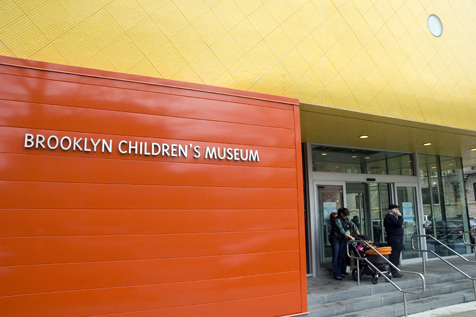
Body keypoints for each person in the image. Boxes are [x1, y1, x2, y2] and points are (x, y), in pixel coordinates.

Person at [329, 207, 360, 280]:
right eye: (345, 215)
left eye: (347, 216)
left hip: (341, 240)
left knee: (341, 256)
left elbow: (352, 224)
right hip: (335, 239)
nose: (346, 217)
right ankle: (336, 274)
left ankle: (340, 271)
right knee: (336, 256)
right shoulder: (337, 220)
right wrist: (351, 237)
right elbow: (342, 231)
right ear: (341, 214)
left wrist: (357, 231)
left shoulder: (346, 219)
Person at [384, 203, 404, 278]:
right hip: (394, 239)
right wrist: (400, 215)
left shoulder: (392, 217)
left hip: (396, 239)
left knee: (395, 256)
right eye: (397, 209)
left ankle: (393, 270)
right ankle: (393, 271)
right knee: (394, 256)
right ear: (394, 210)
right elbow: (399, 224)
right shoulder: (390, 217)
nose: (398, 211)